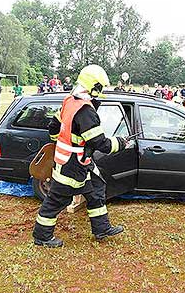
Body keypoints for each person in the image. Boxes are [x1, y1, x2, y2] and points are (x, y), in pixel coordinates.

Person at [33, 65, 127, 248]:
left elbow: (54, 127)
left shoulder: (70, 101)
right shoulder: (86, 111)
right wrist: (121, 143)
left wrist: (62, 141)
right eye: (100, 88)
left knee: (96, 190)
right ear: (94, 86)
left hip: (79, 161)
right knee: (57, 200)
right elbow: (100, 143)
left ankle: (101, 228)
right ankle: (42, 236)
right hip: (72, 164)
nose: (101, 92)